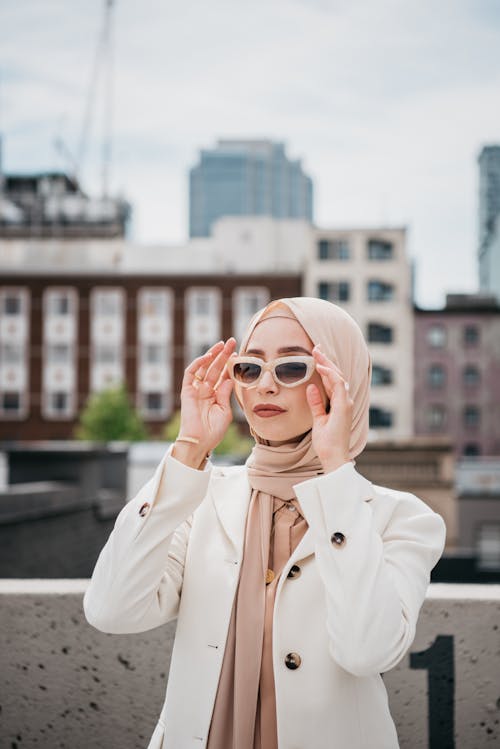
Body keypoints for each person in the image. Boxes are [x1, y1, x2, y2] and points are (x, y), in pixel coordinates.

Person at [84, 296, 446, 749]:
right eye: (249, 368)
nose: (264, 386)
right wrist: (190, 447)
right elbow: (111, 610)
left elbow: (367, 650)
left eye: (292, 367)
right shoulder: (199, 497)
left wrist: (336, 470)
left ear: (343, 380)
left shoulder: (402, 518)